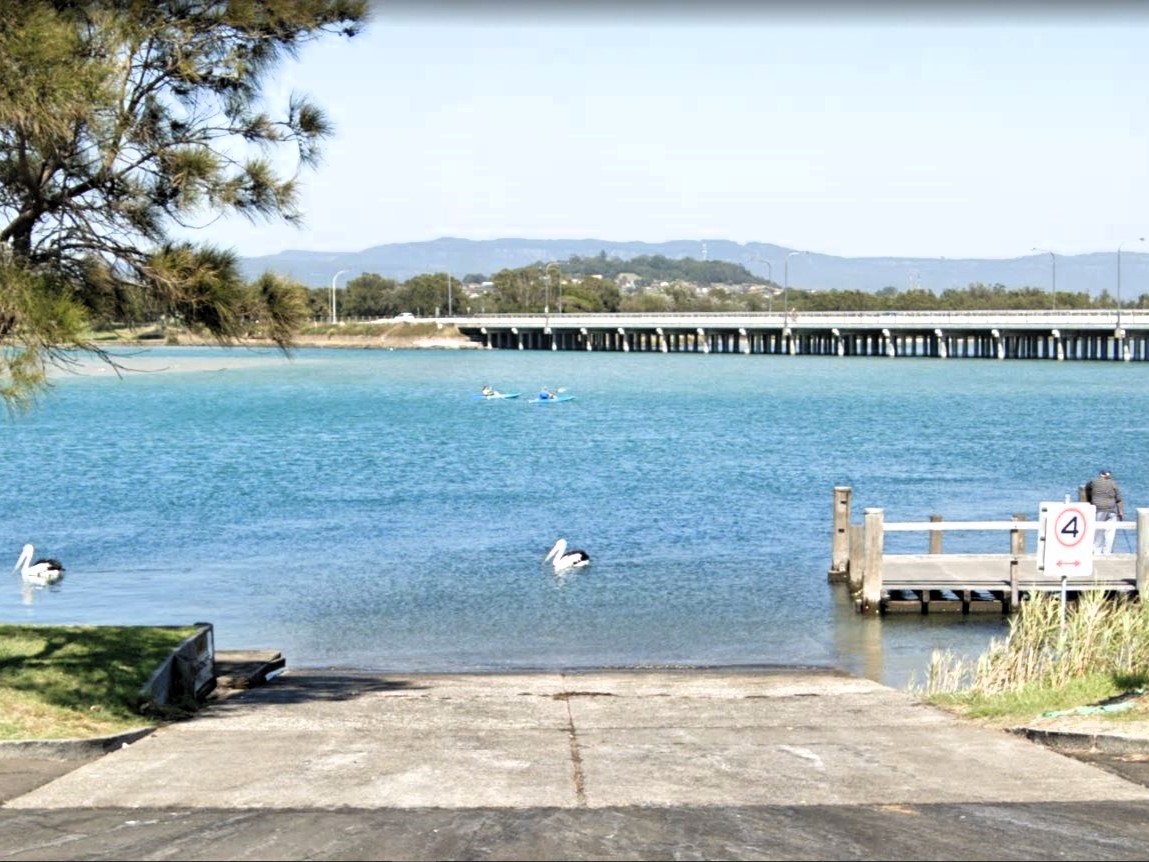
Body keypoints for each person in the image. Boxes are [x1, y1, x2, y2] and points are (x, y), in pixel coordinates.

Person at [1086, 469, 1125, 555]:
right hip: (1112, 510)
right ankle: (1107, 552)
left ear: (1100, 475)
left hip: (1099, 509)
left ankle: (1096, 551)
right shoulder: (1113, 484)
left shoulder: (1093, 482)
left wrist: (1090, 501)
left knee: (1098, 530)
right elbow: (1119, 499)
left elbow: (1087, 490)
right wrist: (1121, 512)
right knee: (1110, 532)